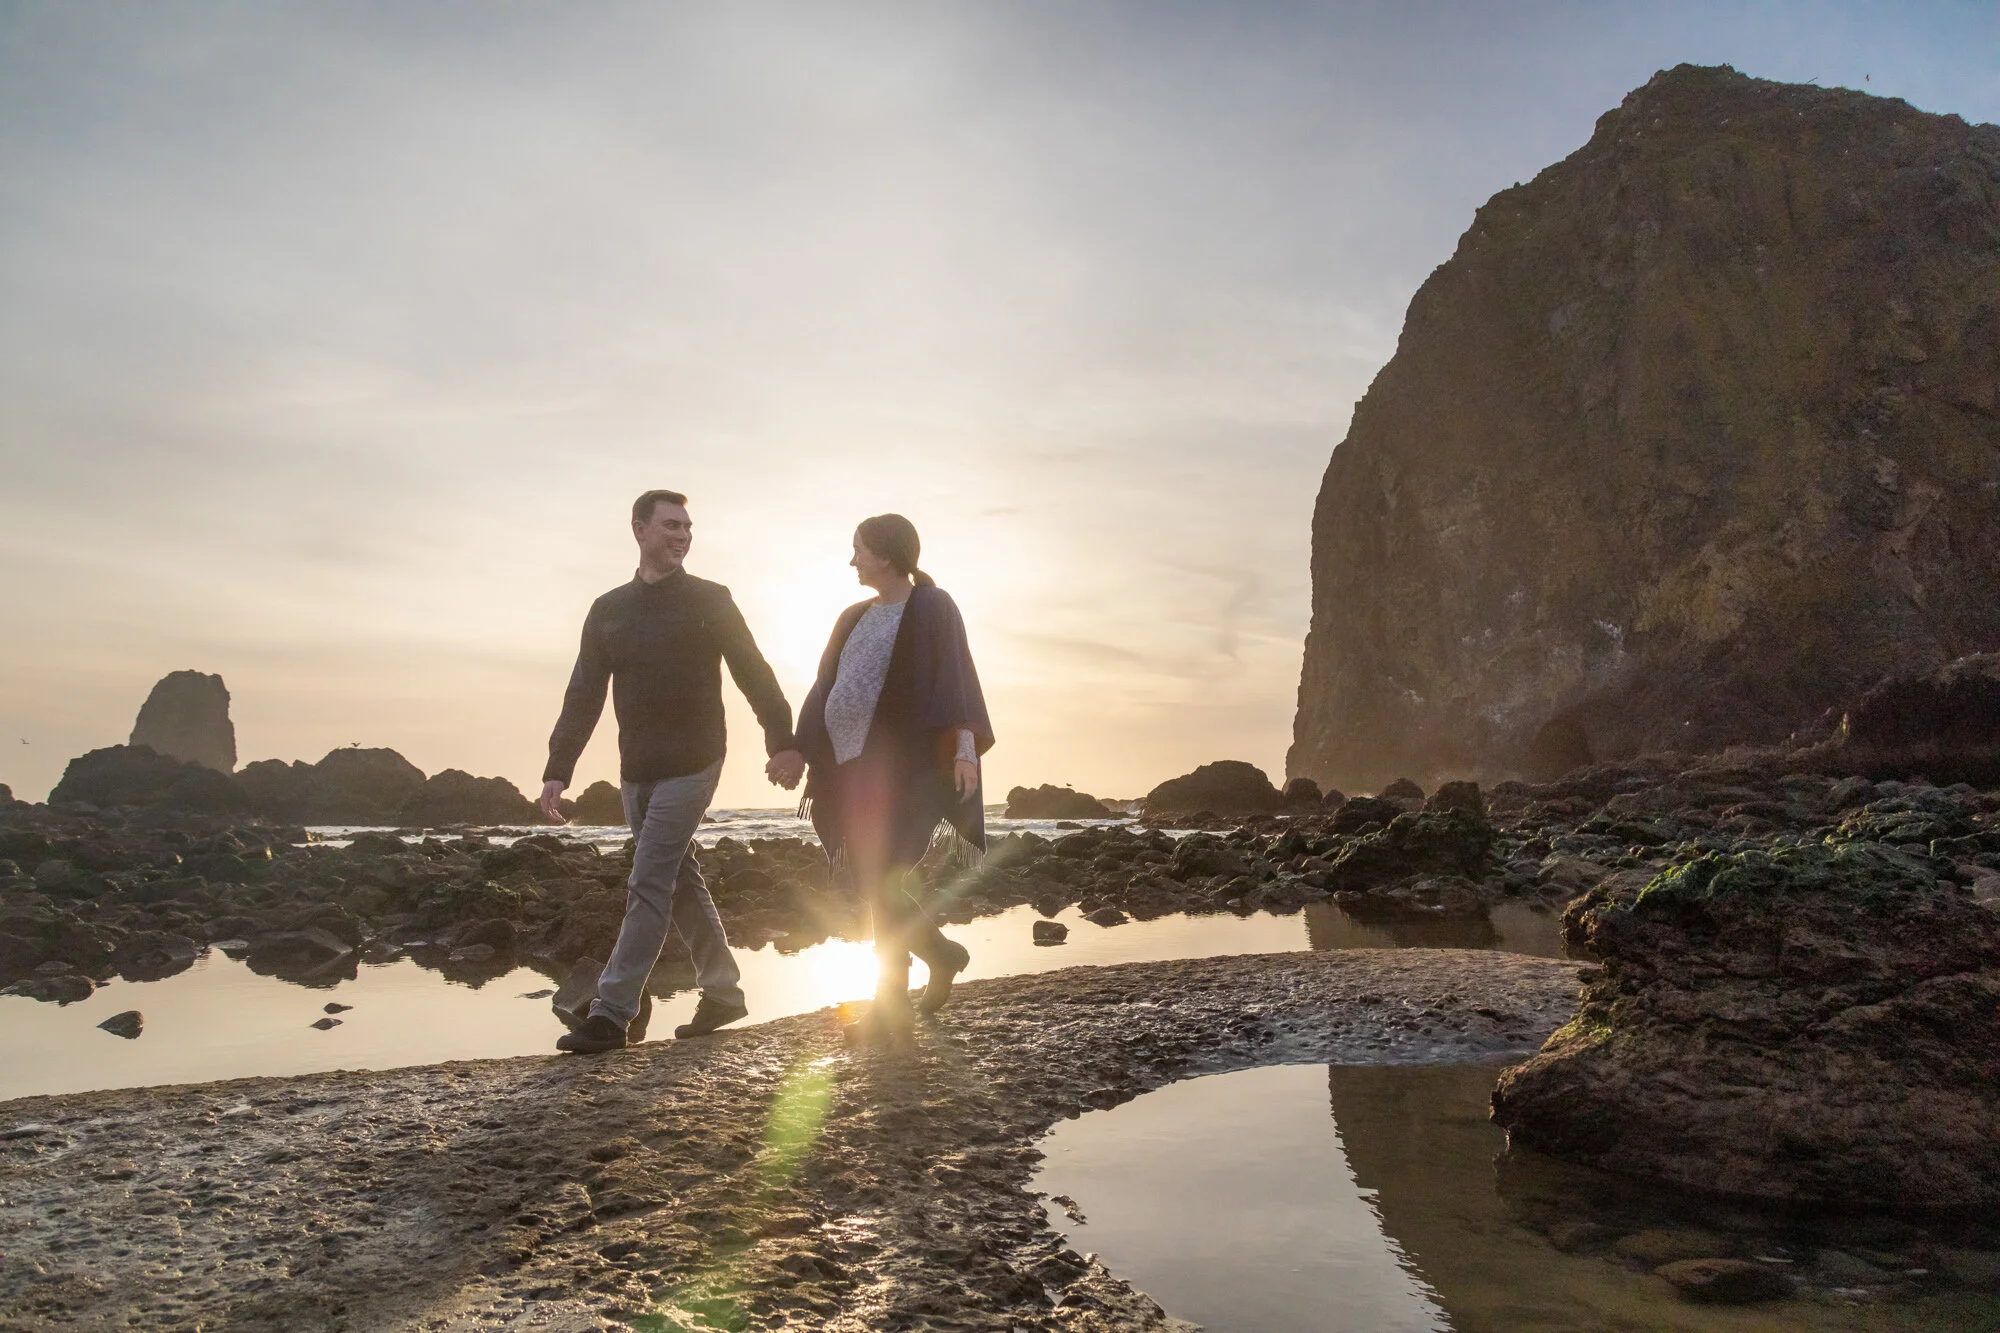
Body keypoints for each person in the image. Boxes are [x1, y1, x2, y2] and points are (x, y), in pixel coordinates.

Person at [540, 488, 807, 1054]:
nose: (682, 535)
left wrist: (782, 742)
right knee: (676, 877)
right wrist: (558, 768)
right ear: (639, 530)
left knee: (648, 879)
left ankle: (611, 1012)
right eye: (670, 525)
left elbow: (753, 672)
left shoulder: (710, 600)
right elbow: (583, 693)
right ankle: (724, 991)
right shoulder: (608, 610)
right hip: (636, 770)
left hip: (695, 760)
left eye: (687, 526)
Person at [785, 513, 993, 1041]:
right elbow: (822, 686)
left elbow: (956, 682)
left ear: (885, 554)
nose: (851, 560)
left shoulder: (932, 606)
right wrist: (795, 751)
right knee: (877, 881)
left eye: (858, 549)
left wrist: (964, 752)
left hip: (912, 770)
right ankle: (941, 957)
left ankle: (892, 1003)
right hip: (854, 772)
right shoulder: (853, 615)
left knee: (885, 878)